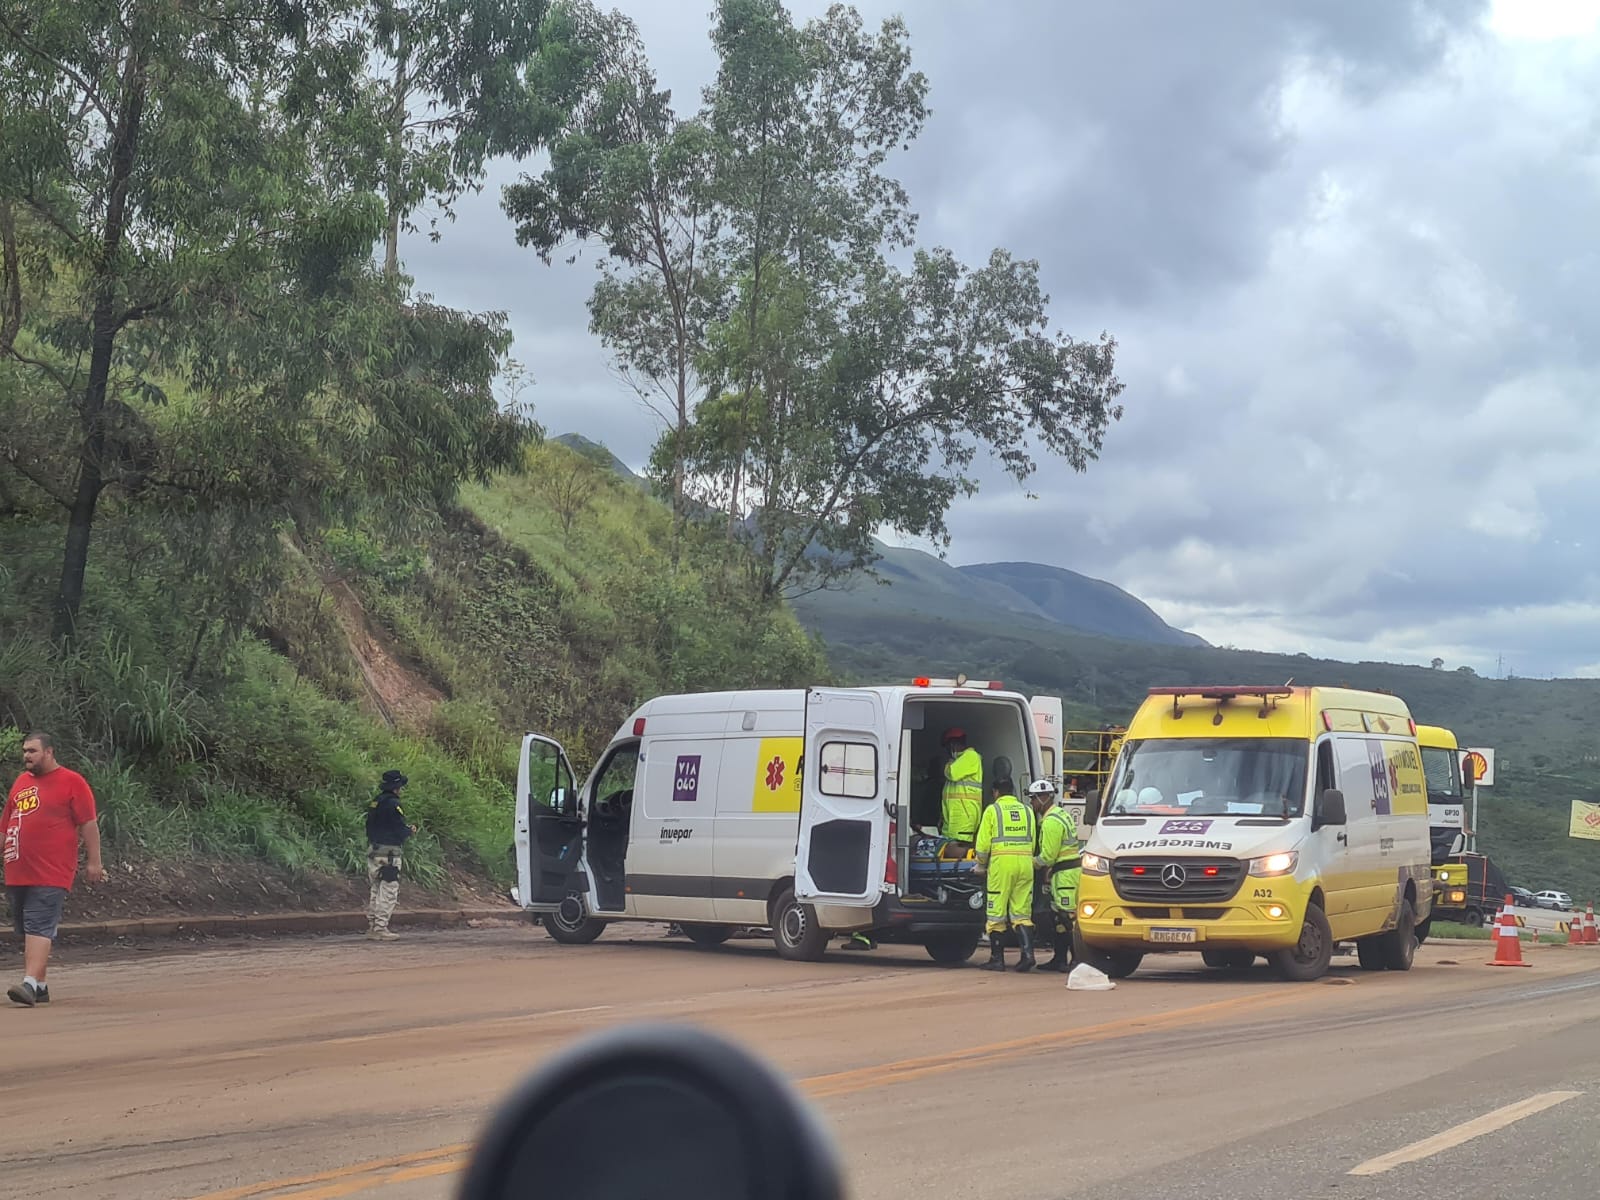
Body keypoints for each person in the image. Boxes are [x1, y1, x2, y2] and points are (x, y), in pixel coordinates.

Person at [3, 732, 104, 1006]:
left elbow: (88, 823)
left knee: (38, 923)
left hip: (51, 870)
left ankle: (29, 984)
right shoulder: (21, 783)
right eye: (25, 751)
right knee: (27, 928)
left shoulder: (72, 782)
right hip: (18, 868)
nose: (27, 756)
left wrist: (94, 861)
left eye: (33, 751)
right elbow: (7, 824)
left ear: (49, 752)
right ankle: (42, 985)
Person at [971, 775, 1038, 972]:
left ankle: (997, 959)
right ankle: (1027, 955)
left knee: (996, 912)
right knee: (1021, 913)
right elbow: (1033, 840)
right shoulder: (1027, 810)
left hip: (1002, 866)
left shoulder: (993, 810)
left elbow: (983, 844)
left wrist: (980, 865)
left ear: (995, 792)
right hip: (1025, 864)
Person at [1029, 779, 1081, 973]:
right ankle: (1059, 959)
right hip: (1064, 873)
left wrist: (1029, 864)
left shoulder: (1051, 822)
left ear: (1043, 798)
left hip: (1065, 875)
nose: (1032, 804)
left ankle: (1076, 959)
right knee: (1058, 918)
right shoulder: (1060, 814)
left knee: (1067, 918)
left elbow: (1048, 857)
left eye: (1033, 799)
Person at [365, 769, 416, 941]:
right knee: (388, 890)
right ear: (397, 787)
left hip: (373, 850)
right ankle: (381, 928)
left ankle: (372, 926)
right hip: (390, 853)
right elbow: (399, 829)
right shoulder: (394, 804)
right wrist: (410, 831)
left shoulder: (376, 802)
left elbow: (369, 825)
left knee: (375, 888)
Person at [940, 729, 983, 843]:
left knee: (960, 853)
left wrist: (948, 764)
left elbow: (952, 773)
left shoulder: (971, 756)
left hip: (964, 819)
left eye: (948, 747)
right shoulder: (958, 760)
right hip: (952, 820)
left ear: (953, 744)